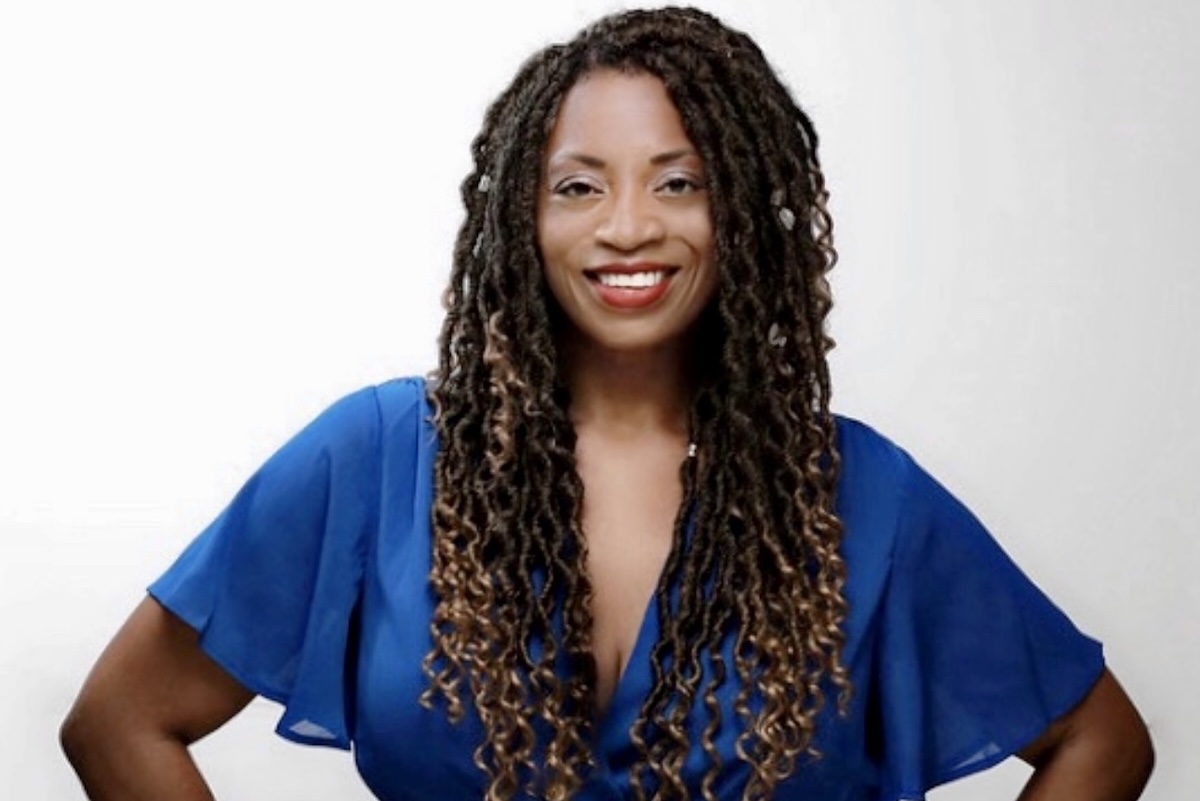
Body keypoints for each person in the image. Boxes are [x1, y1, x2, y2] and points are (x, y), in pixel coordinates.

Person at [60, 7, 1153, 801]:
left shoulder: (860, 498)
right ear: (519, 221)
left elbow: (1101, 743)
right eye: (578, 185)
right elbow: (120, 723)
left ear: (743, 214)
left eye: (680, 181)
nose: (628, 226)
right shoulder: (382, 457)